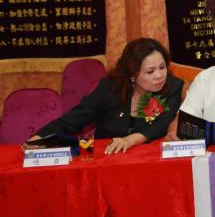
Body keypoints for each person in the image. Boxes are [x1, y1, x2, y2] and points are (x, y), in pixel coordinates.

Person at [26, 38, 183, 154]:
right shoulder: (110, 88)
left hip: (148, 161)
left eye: (162, 67)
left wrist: (129, 140)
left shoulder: (173, 87)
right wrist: (40, 137)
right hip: (107, 159)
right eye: (150, 71)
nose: (159, 76)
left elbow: (161, 125)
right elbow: (74, 119)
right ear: (132, 74)